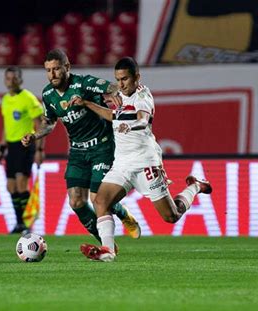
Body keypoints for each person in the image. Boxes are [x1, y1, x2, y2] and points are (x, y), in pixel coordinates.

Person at [76, 57, 213, 261]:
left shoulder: (143, 96)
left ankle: (195, 186)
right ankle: (108, 250)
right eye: (118, 79)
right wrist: (87, 103)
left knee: (171, 216)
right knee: (100, 200)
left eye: (125, 79)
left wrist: (130, 126)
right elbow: (114, 116)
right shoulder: (120, 96)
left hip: (145, 162)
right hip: (122, 163)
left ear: (137, 77)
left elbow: (142, 119)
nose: (121, 84)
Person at [21, 49, 141, 244]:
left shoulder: (83, 83)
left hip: (102, 147)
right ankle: (103, 241)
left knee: (97, 198)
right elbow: (49, 122)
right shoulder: (48, 94)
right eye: (48, 70)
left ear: (67, 67)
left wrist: (112, 93)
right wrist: (35, 135)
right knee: (76, 201)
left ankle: (122, 213)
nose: (52, 74)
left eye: (57, 69)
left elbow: (110, 86)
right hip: (77, 151)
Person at [0, 66, 45, 234]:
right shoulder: (5, 100)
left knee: (22, 184)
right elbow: (6, 125)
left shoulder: (28, 98)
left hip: (25, 144)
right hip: (11, 146)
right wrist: (1, 147)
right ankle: (19, 223)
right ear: (5, 80)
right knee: (11, 186)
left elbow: (40, 124)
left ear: (20, 80)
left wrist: (39, 149)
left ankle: (26, 223)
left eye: (14, 78)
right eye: (8, 78)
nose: (11, 82)